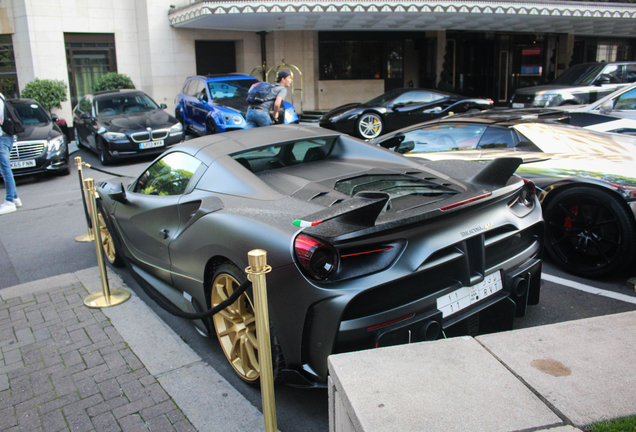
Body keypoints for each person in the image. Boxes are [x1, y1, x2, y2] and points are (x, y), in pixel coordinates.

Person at [0, 93, 22, 215]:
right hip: (5, 137)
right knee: (5, 169)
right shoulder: (1, 97)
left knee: (5, 169)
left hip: (1, 138)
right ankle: (14, 197)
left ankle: (10, 201)